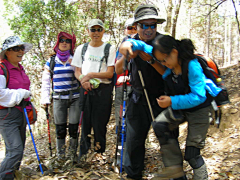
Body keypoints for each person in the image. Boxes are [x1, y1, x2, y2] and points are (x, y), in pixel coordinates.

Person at [123, 35, 222, 180]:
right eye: (160, 61)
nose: (163, 64)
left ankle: (201, 177)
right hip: (181, 107)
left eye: (164, 60)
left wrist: (171, 101)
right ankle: (175, 170)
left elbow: (199, 96)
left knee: (192, 154)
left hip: (199, 110)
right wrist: (129, 44)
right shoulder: (165, 56)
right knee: (160, 125)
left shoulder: (192, 66)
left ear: (174, 52)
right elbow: (144, 47)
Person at [115, 4, 166, 179]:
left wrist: (152, 60)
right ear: (137, 26)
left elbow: (171, 72)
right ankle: (133, 174)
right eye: (145, 25)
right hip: (137, 97)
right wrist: (128, 55)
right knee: (134, 142)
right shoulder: (131, 42)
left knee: (168, 140)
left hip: (162, 98)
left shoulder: (163, 42)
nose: (149, 29)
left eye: (153, 25)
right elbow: (118, 69)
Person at [71, 19, 116, 158]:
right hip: (85, 89)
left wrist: (90, 75)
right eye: (93, 30)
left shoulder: (109, 48)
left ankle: (99, 155)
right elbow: (77, 71)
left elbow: (109, 73)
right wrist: (83, 80)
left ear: (103, 31)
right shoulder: (81, 48)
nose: (96, 33)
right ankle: (83, 155)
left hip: (103, 89)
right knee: (85, 122)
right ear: (88, 31)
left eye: (99, 29)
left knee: (100, 123)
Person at [40, 32, 80, 161]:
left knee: (74, 128)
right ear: (58, 42)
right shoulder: (51, 61)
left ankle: (72, 155)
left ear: (71, 44)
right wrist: (45, 99)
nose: (64, 43)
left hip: (75, 97)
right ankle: (61, 156)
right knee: (60, 128)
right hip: (58, 98)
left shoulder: (75, 58)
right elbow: (46, 82)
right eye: (62, 40)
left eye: (67, 41)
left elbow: (82, 75)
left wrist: (73, 64)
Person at [0, 36, 32, 180]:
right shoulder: (2, 69)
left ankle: (12, 176)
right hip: (7, 114)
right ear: (7, 52)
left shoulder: (20, 68)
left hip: (21, 113)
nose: (20, 51)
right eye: (15, 49)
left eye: (21, 48)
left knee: (16, 150)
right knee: (15, 150)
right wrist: (20, 93)